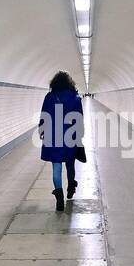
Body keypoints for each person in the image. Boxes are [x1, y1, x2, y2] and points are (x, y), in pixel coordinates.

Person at [38, 70, 86, 212]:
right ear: (69, 82)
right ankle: (71, 187)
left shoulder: (49, 97)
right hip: (69, 136)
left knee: (56, 167)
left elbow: (44, 115)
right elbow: (79, 118)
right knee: (70, 164)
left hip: (53, 136)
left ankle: (59, 198)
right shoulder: (76, 98)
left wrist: (42, 130)